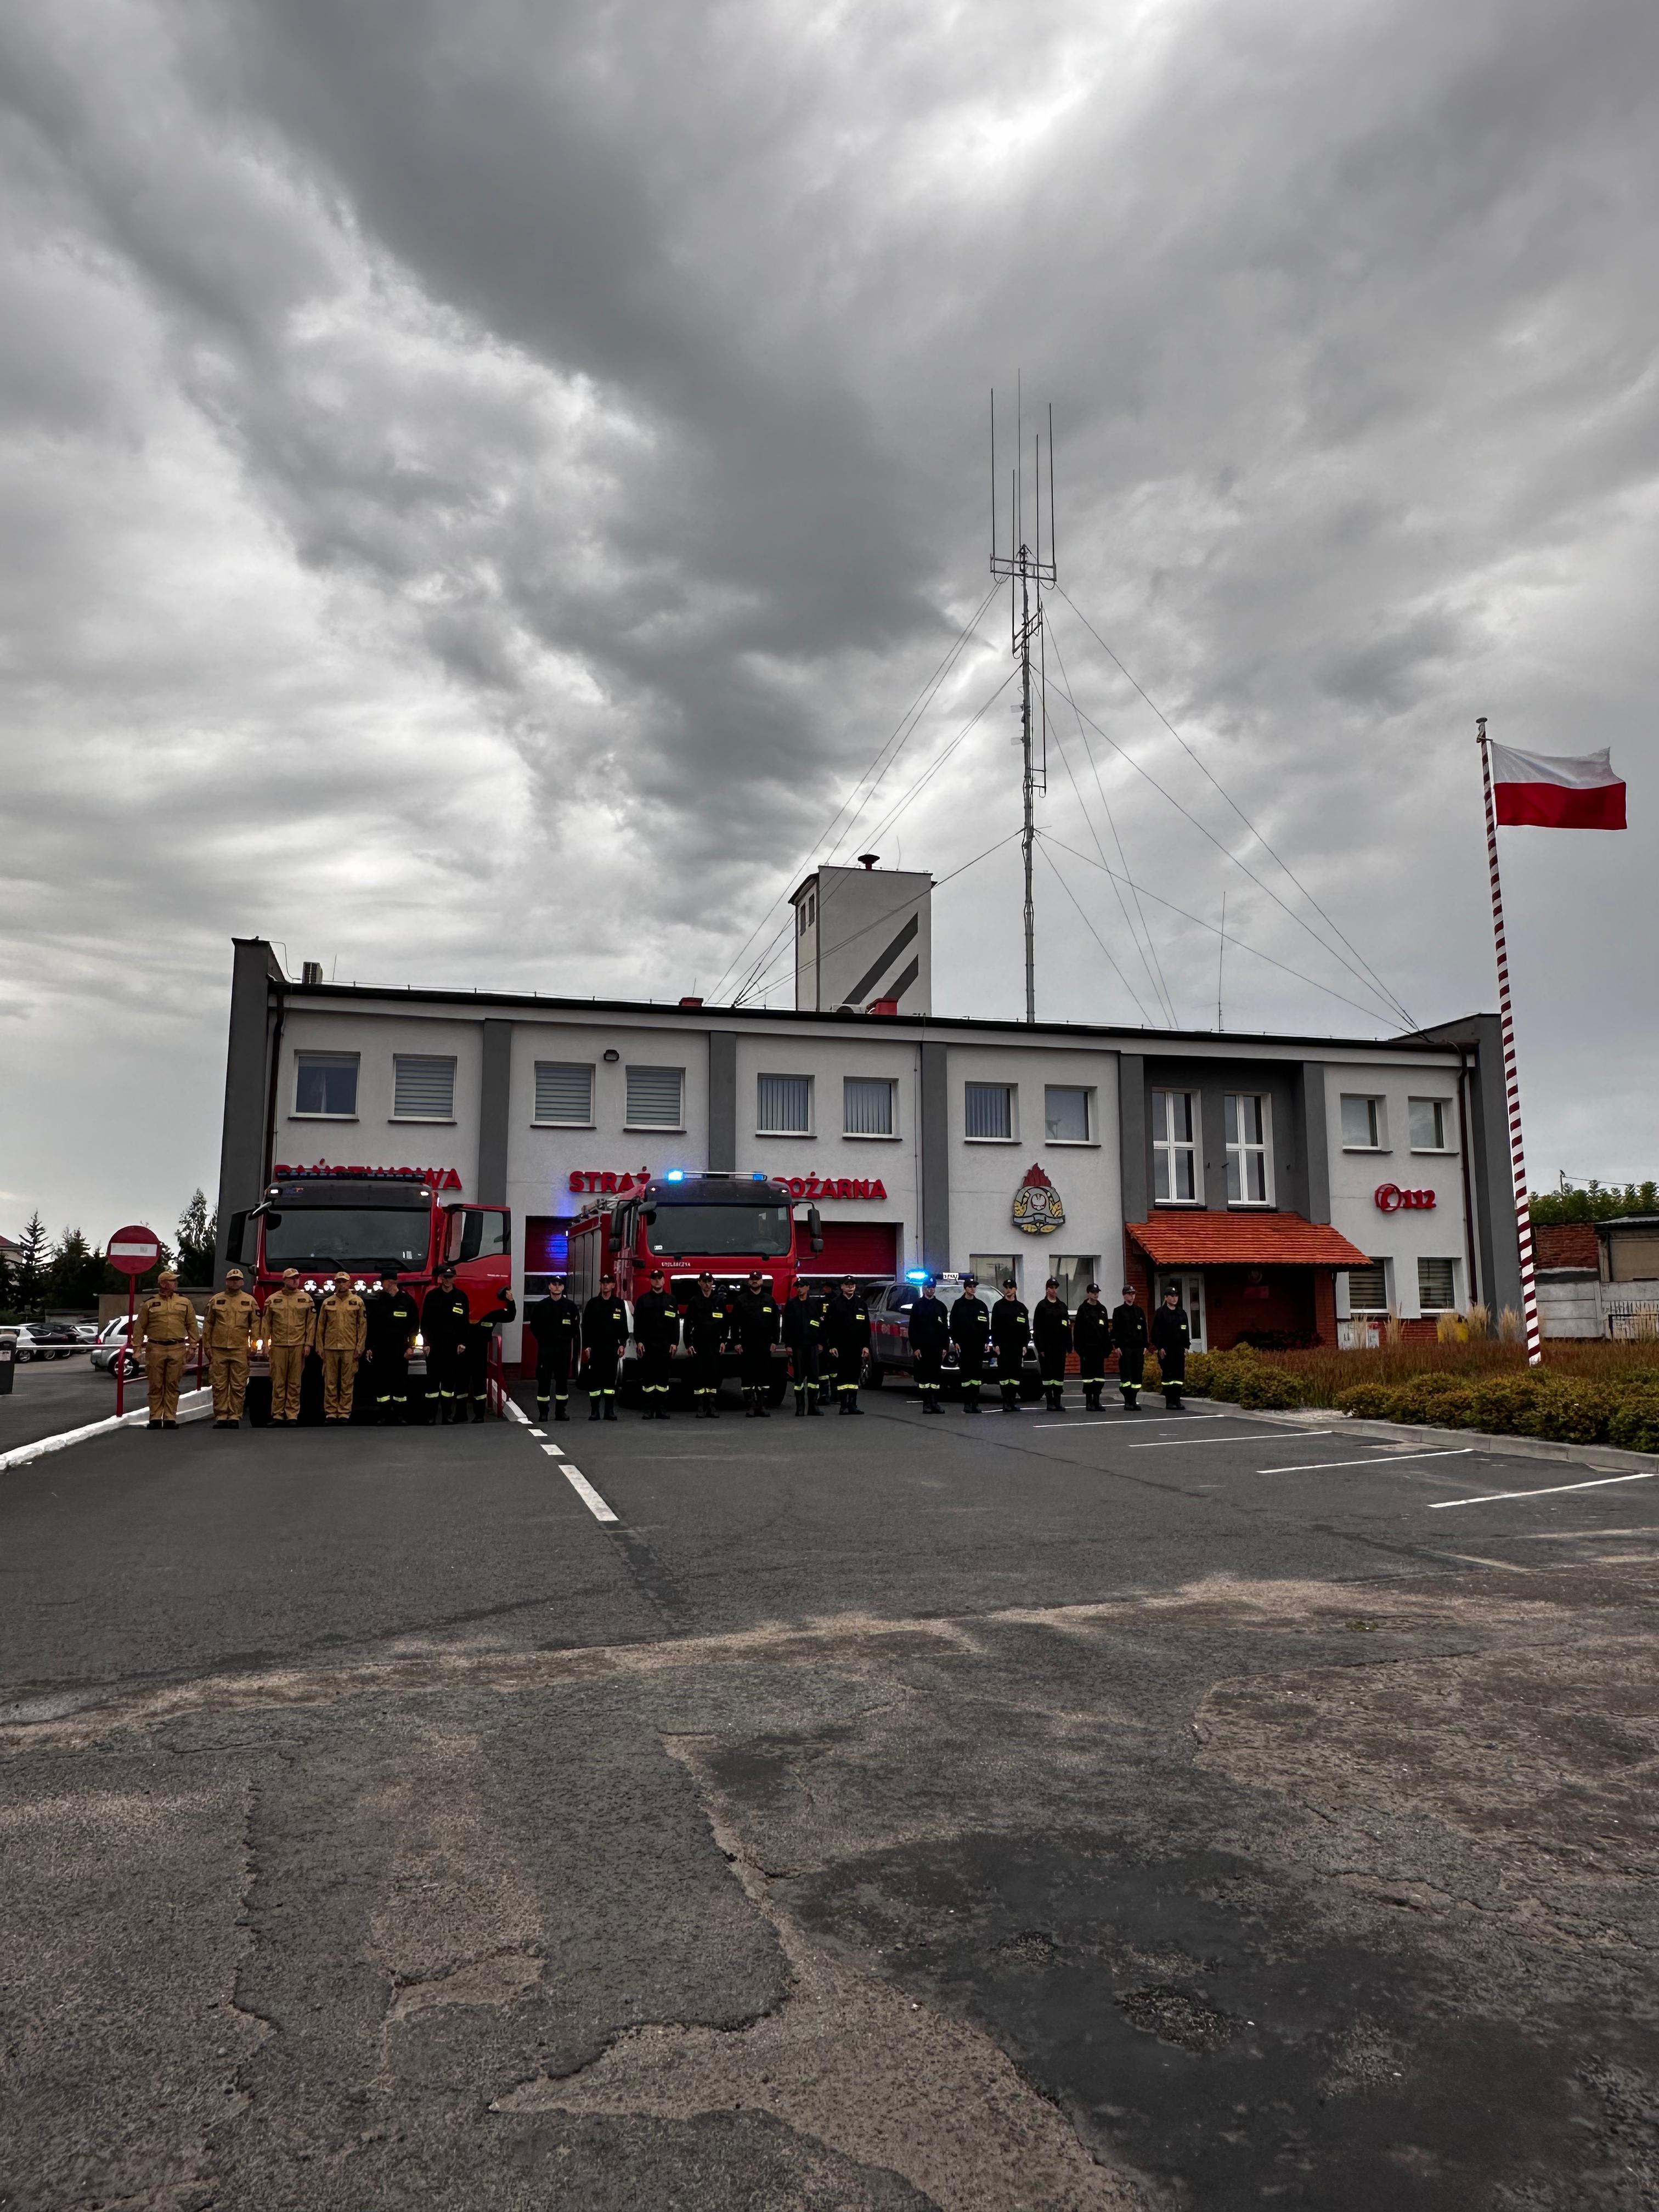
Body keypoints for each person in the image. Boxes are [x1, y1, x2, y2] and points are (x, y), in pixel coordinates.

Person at [132, 1266, 199, 1430]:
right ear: (163, 1284)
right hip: (156, 1347)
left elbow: (192, 1324)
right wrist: (137, 1349)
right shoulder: (149, 1304)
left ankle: (170, 1417)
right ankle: (155, 1417)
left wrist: (193, 1346)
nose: (176, 1283)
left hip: (177, 1348)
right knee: (156, 1384)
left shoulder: (184, 1302)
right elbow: (140, 1327)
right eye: (173, 1281)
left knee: (172, 1384)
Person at [203, 1265, 258, 1429]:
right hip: (219, 1348)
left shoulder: (250, 1301)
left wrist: (254, 1345)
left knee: (238, 1385)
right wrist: (207, 1345)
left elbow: (256, 1325)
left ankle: (234, 1416)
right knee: (219, 1385)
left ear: (242, 1282)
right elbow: (208, 1324)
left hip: (240, 1348)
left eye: (237, 1280)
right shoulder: (216, 1300)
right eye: (232, 1280)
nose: (234, 1283)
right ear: (226, 1282)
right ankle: (221, 1416)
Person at [364, 1268, 421, 1424]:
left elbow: (414, 1326)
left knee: (400, 1382)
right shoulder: (378, 1301)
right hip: (381, 1349)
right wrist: (370, 1347)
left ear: (390, 1282)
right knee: (382, 1382)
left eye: (383, 1282)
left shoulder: (407, 1301)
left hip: (400, 1349)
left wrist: (411, 1347)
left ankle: (400, 1415)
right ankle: (384, 1415)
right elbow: (371, 1327)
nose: (381, 1285)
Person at [263, 1267, 315, 1425]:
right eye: (292, 1278)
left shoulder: (306, 1299)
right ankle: (278, 1415)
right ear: (284, 1280)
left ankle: (292, 1415)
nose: (295, 1281)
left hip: (298, 1345)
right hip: (278, 1345)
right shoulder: (273, 1300)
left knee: (294, 1382)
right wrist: (265, 1344)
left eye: (297, 1278)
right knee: (278, 1381)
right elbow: (266, 1324)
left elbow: (311, 1324)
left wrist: (308, 1344)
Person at [421, 1264, 473, 1423]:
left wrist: (463, 1343)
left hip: (452, 1347)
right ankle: (430, 1416)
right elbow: (425, 1323)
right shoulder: (432, 1297)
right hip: (434, 1346)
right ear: (441, 1278)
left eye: (450, 1277)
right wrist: (426, 1343)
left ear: (455, 1278)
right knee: (432, 1383)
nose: (447, 1280)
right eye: (445, 1277)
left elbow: (465, 1323)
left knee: (449, 1384)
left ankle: (447, 1416)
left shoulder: (461, 1297)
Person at [526, 1277, 581, 1423]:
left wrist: (565, 1340)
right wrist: (544, 1340)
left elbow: (575, 1328)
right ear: (550, 1286)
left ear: (563, 1288)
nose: (557, 1287)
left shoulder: (570, 1307)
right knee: (544, 1381)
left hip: (563, 1351)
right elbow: (534, 1326)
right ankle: (543, 1413)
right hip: (546, 1350)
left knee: (562, 1381)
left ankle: (561, 1412)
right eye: (554, 1284)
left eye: (560, 1285)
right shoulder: (541, 1306)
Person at [315, 1270, 368, 1423]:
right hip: (330, 1347)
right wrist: (320, 1347)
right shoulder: (328, 1303)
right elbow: (321, 1327)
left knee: (347, 1382)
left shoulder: (358, 1302)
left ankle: (345, 1411)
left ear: (349, 1283)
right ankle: (331, 1411)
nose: (342, 1284)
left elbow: (362, 1326)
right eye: (339, 1282)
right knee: (330, 1382)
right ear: (335, 1284)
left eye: (344, 1281)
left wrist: (360, 1346)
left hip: (350, 1347)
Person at [733, 1269, 781, 1418]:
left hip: (765, 1343)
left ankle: (762, 1406)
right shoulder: (741, 1300)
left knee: (764, 1375)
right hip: (747, 1343)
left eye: (757, 1279)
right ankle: (751, 1406)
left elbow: (775, 1322)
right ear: (749, 1281)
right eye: (752, 1279)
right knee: (748, 1375)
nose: (755, 1281)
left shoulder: (769, 1300)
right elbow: (735, 1324)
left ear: (762, 1281)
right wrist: (736, 1342)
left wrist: (775, 1341)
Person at [681, 1272, 730, 1418]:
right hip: (699, 1342)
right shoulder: (694, 1301)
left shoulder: (719, 1300)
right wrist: (688, 1343)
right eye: (705, 1281)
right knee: (700, 1373)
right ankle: (701, 1405)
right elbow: (688, 1323)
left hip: (714, 1342)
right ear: (699, 1283)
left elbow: (725, 1323)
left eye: (710, 1281)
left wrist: (724, 1341)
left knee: (714, 1372)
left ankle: (712, 1405)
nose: (707, 1284)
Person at [633, 1267, 679, 1419]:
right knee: (648, 1378)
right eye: (654, 1278)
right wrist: (639, 1341)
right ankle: (648, 1409)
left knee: (663, 1378)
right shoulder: (643, 1300)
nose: (657, 1281)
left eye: (660, 1278)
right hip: (648, 1345)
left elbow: (675, 1324)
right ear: (651, 1281)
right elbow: (638, 1323)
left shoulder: (671, 1300)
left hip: (665, 1345)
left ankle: (661, 1409)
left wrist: (675, 1342)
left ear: (664, 1280)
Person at [581, 1274, 628, 1421]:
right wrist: (587, 1346)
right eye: (603, 1283)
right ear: (601, 1285)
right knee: (595, 1380)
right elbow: (586, 1327)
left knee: (610, 1381)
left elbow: (623, 1326)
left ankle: (609, 1411)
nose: (606, 1285)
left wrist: (622, 1344)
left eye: (608, 1283)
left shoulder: (618, 1304)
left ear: (613, 1285)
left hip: (612, 1348)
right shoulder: (593, 1304)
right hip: (596, 1348)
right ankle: (595, 1411)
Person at [821, 1274, 870, 1414]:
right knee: (842, 1375)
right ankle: (843, 1405)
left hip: (856, 1346)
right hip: (841, 1346)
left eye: (852, 1285)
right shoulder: (835, 1304)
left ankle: (853, 1405)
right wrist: (831, 1346)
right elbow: (828, 1327)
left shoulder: (861, 1304)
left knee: (854, 1375)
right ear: (842, 1287)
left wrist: (866, 1346)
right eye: (847, 1285)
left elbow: (866, 1327)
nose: (850, 1287)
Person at [467, 1285, 517, 1419]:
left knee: (479, 1382)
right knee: (462, 1381)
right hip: (464, 1348)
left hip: (481, 1349)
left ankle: (479, 1416)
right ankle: (460, 1414)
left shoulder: (493, 1312)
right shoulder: (468, 1308)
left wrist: (511, 1301)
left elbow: (510, 1316)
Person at [948, 1273, 990, 1414]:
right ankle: (967, 1404)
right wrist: (956, 1341)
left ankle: (975, 1403)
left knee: (976, 1375)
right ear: (965, 1288)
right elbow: (953, 1325)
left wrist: (986, 1341)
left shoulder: (981, 1305)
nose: (973, 1289)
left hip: (978, 1345)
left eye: (974, 1287)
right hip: (964, 1345)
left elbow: (986, 1326)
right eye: (970, 1287)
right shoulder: (959, 1305)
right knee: (966, 1375)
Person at [907, 1278, 950, 1412]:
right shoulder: (918, 1305)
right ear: (924, 1288)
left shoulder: (941, 1306)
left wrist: (945, 1347)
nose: (931, 1290)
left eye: (933, 1287)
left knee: (935, 1376)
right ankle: (926, 1404)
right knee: (924, 1377)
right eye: (929, 1287)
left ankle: (935, 1403)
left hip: (937, 1347)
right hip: (923, 1347)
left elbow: (945, 1329)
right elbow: (913, 1329)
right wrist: (916, 1347)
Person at [780, 1278, 820, 1416]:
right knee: (799, 1378)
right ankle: (800, 1407)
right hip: (798, 1346)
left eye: (802, 1286)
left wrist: (821, 1342)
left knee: (814, 1378)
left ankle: (813, 1407)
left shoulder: (814, 1304)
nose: (799, 1289)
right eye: (797, 1287)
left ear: (808, 1288)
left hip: (812, 1345)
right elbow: (786, 1326)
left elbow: (821, 1324)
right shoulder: (792, 1304)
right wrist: (788, 1345)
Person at [990, 1277, 1030, 1413]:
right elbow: (994, 1327)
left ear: (1015, 1289)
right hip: (1003, 1347)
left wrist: (1025, 1345)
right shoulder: (998, 1306)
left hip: (1017, 1347)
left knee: (1015, 1375)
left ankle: (1012, 1401)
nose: (1008, 1290)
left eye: (1011, 1288)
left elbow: (1025, 1329)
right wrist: (995, 1344)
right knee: (1004, 1375)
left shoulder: (1021, 1308)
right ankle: (1006, 1401)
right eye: (1006, 1288)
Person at [1071, 1282, 1112, 1412]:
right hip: (1087, 1349)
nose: (1096, 1295)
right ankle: (1089, 1401)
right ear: (1088, 1293)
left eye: (1097, 1292)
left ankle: (1097, 1401)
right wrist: (1080, 1349)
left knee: (1099, 1377)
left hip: (1099, 1349)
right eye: (1093, 1292)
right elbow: (1077, 1331)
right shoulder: (1083, 1309)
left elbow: (1106, 1331)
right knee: (1088, 1377)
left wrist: (1107, 1348)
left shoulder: (1102, 1309)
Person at [1032, 1277, 1071, 1413]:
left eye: (1056, 1288)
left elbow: (1067, 1326)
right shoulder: (1042, 1306)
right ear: (1047, 1289)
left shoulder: (1062, 1306)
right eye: (1051, 1288)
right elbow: (1037, 1328)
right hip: (1047, 1347)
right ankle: (1050, 1401)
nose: (1054, 1290)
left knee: (1059, 1375)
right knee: (1048, 1376)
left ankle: (1058, 1401)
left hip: (1060, 1346)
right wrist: (1041, 1348)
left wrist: (1069, 1345)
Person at [1151, 1285, 1191, 1410]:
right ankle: (1170, 1401)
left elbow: (1185, 1331)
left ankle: (1177, 1400)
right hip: (1167, 1350)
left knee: (1179, 1375)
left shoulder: (1182, 1313)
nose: (1174, 1298)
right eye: (1172, 1296)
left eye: (1176, 1296)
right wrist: (1160, 1347)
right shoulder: (1161, 1313)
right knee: (1168, 1375)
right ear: (1166, 1297)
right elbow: (1156, 1332)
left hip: (1179, 1349)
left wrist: (1186, 1346)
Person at [1110, 1283, 1148, 1412]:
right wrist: (1116, 1346)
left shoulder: (1139, 1311)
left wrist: (1145, 1345)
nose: (1132, 1296)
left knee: (1137, 1374)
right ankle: (1128, 1401)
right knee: (1126, 1375)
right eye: (1129, 1294)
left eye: (1133, 1294)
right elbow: (1115, 1330)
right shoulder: (1119, 1311)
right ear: (1124, 1295)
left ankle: (1134, 1400)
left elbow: (1144, 1330)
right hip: (1125, 1348)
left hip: (1138, 1348)